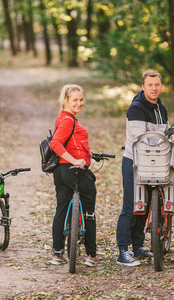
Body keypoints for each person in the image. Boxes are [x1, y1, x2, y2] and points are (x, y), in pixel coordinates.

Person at [116, 70, 174, 267]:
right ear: (143, 87)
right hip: (135, 162)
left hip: (155, 162)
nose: (154, 88)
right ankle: (123, 251)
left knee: (145, 206)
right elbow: (145, 140)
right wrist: (169, 148)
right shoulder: (136, 108)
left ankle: (138, 246)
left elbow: (168, 133)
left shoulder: (160, 107)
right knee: (131, 205)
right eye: (150, 85)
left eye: (157, 85)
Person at [49, 84, 98, 267]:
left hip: (60, 172)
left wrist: (87, 153)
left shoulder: (64, 117)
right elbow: (56, 143)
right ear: (66, 101)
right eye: (75, 100)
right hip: (73, 171)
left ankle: (58, 253)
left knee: (61, 209)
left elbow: (71, 142)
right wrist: (75, 160)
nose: (79, 103)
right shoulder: (69, 120)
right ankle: (91, 254)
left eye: (81, 100)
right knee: (89, 210)